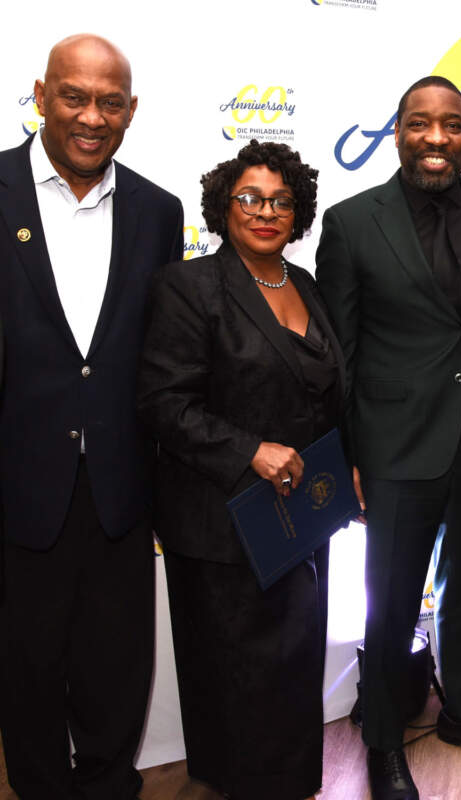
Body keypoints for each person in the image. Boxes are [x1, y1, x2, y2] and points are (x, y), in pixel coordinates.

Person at [315, 76, 461, 800]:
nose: (436, 138)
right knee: (392, 598)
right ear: (397, 131)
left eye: (452, 125)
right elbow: (337, 354)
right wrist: (345, 454)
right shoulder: (351, 222)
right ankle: (382, 740)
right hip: (393, 444)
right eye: (420, 124)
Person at [0, 34, 182, 800]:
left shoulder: (158, 211)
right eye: (74, 96)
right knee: (27, 669)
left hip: (120, 487)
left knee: (116, 669)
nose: (91, 116)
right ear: (40, 95)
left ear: (131, 111)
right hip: (18, 486)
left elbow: (162, 360)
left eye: (111, 102)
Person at [137, 140, 339, 800]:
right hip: (222, 524)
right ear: (224, 207)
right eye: (249, 198)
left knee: (293, 667)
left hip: (301, 516)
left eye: (281, 201)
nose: (265, 212)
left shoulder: (304, 284)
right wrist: (250, 449)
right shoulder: (188, 286)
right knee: (235, 680)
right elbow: (163, 403)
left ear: (298, 213)